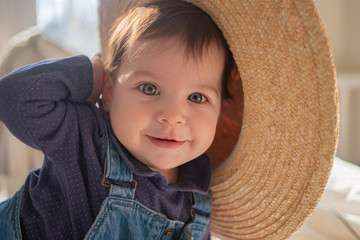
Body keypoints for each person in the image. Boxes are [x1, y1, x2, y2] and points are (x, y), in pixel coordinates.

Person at [0, 0, 339, 240]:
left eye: (197, 98)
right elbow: (13, 96)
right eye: (149, 88)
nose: (173, 115)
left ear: (221, 110)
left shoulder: (198, 200)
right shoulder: (86, 139)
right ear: (111, 90)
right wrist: (90, 74)